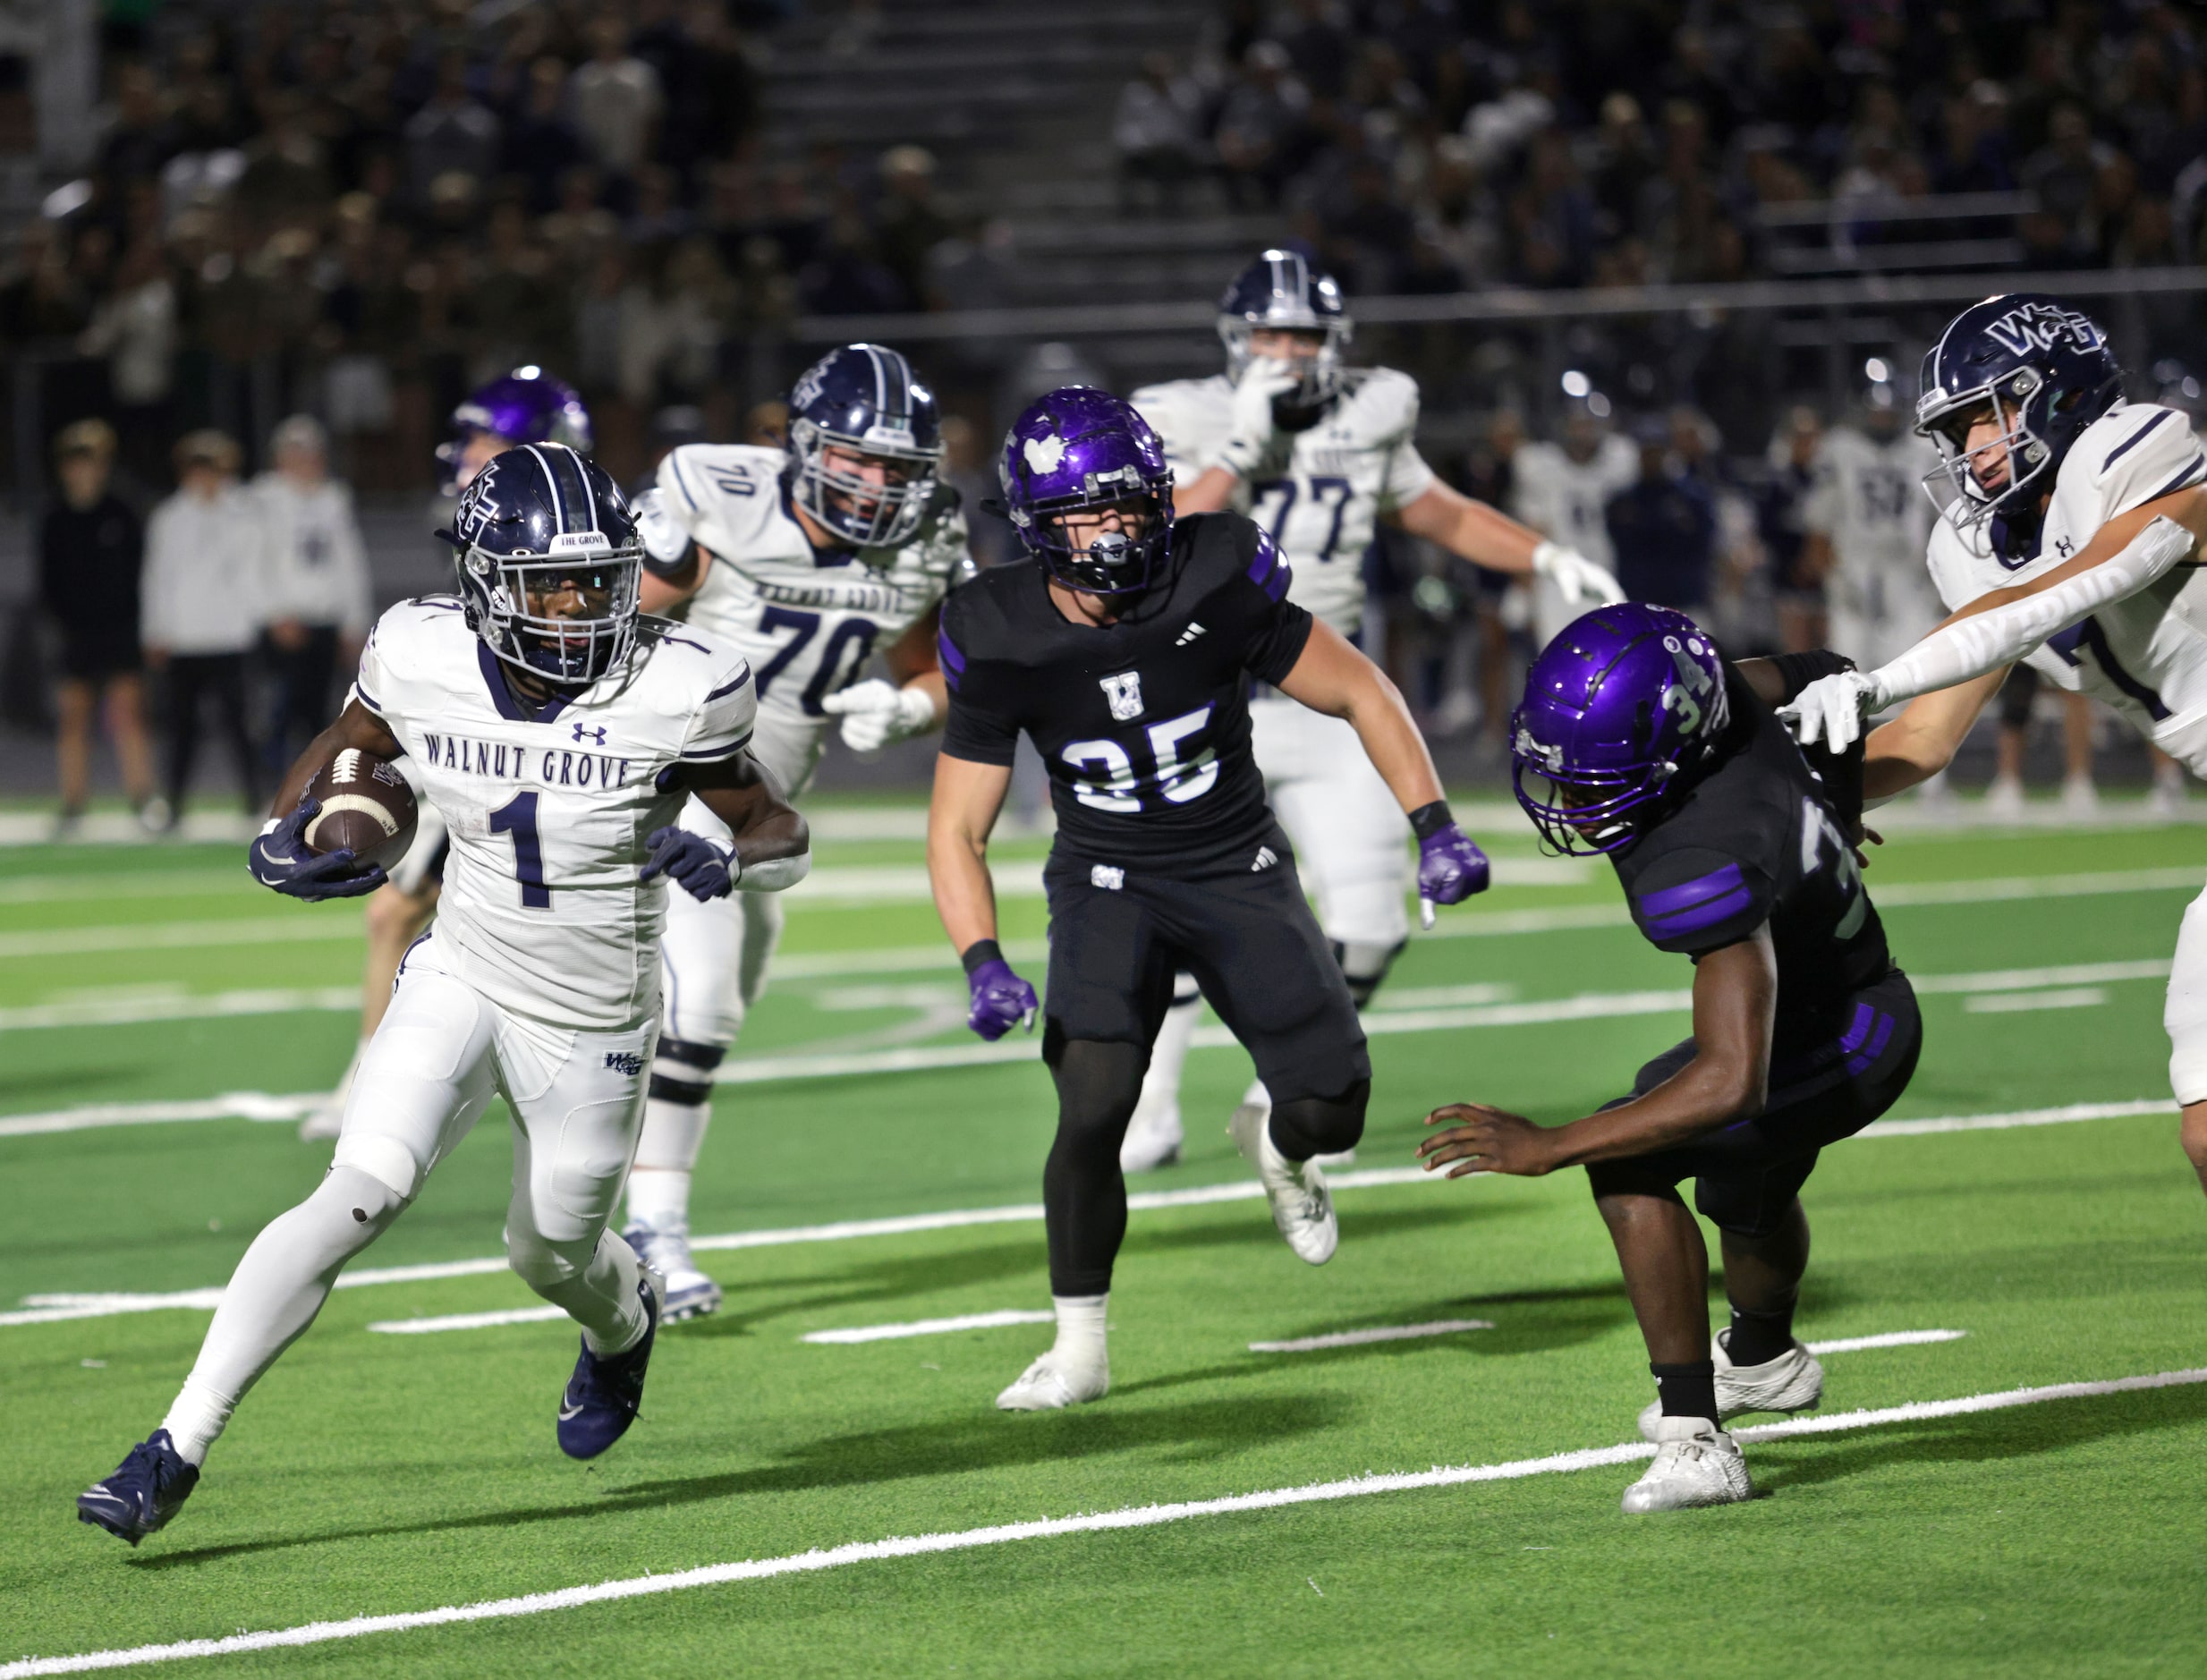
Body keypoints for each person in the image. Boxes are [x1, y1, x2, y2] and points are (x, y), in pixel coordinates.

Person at [76, 444, 810, 1545]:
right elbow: (351, 746)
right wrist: (293, 828)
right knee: (352, 1196)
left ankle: (624, 1329)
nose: (575, 607)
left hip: (595, 1014)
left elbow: (775, 822)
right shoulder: (421, 652)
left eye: (597, 580)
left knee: (547, 1253)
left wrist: (731, 855)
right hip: (461, 970)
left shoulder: (679, 684)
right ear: (481, 582)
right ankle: (173, 1446)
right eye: (547, 583)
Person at [927, 387, 1492, 1412]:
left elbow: (1361, 688)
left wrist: (1434, 823)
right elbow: (955, 825)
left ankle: (1275, 1147)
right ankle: (1079, 1347)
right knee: (1091, 1109)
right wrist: (981, 959)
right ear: (1036, 527)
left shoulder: (1216, 570)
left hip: (1234, 860)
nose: (1115, 533)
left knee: (1332, 1103)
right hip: (1106, 882)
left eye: (1132, 507)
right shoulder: (995, 627)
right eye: (1086, 516)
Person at [1121, 251, 1618, 1170]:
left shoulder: (1373, 405)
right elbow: (1148, 536)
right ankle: (1149, 1108)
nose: (1285, 352)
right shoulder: (1175, 414)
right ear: (1234, 341)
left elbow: (1433, 510)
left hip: (1321, 691)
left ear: (1333, 345)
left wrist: (1543, 558)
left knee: (1373, 923)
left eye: (1303, 336)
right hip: (1201, 694)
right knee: (1174, 912)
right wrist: (1242, 443)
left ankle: (1278, 1099)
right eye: (1269, 334)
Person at [1423, 605, 1919, 1512]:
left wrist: (1553, 1143)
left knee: (1628, 1158)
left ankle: (1697, 1440)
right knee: (1744, 1187)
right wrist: (1836, 812)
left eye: (1596, 777)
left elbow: (1734, 1078)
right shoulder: (1718, 696)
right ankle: (1764, 1359)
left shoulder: (1700, 856)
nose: (1569, 797)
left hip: (1849, 1032)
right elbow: (1833, 677)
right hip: (1830, 1001)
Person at [1779, 293, 2207, 1201]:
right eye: (1959, 426)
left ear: (2056, 396)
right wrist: (1802, 800)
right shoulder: (1979, 549)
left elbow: (2072, 585)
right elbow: (1927, 738)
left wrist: (1881, 677)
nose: (1969, 447)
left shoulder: (2139, 452)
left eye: (1985, 415)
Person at [617, 343, 973, 1321]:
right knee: (701, 1008)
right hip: (680, 759)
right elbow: (619, 614)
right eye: (852, 460)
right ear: (803, 445)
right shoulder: (716, 488)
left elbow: (958, 667)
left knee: (718, 1001)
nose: (871, 485)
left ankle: (609, 1175)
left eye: (892, 468)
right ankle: (652, 1231)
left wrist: (910, 708)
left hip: (777, 793)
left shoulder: (927, 535)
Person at [301, 369, 597, 1140]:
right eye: (469, 440)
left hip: (544, 760)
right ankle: (381, 1073)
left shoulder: (573, 544)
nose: (468, 458)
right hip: (485, 752)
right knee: (397, 915)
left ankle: (381, 1079)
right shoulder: (500, 528)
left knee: (414, 914)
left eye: (487, 441)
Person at [140, 429, 269, 822]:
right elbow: (156, 577)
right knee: (181, 728)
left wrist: (257, 620)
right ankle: (174, 802)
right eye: (198, 469)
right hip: (184, 639)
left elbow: (256, 568)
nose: (205, 478)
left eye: (213, 469)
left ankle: (254, 797)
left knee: (241, 726)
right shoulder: (168, 517)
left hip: (231, 635)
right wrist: (155, 631)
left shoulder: (244, 512)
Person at [38, 419, 158, 834]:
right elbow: (48, 581)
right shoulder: (54, 516)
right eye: (76, 461)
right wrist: (65, 623)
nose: (84, 469)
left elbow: (140, 573)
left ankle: (143, 798)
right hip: (75, 633)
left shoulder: (122, 511)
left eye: (92, 460)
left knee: (128, 715)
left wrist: (137, 624)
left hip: (120, 630)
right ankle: (73, 802)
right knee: (73, 718)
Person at [252, 415, 373, 775]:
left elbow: (350, 562)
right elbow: (254, 563)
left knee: (322, 717)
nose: (305, 461)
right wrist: (275, 615)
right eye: (296, 453)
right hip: (282, 624)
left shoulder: (333, 499)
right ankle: (273, 789)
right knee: (278, 713)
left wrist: (353, 622)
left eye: (310, 453)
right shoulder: (262, 499)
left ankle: (316, 788)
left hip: (324, 622)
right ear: (280, 457)